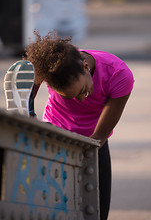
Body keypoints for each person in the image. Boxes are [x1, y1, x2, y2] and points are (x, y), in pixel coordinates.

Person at [5, 30, 134, 220]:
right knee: (46, 206)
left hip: (93, 142)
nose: (82, 98)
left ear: (85, 66)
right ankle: (27, 116)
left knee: (97, 212)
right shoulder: (54, 67)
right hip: (54, 133)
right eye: (73, 97)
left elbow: (100, 136)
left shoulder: (119, 75)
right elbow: (36, 69)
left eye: (82, 90)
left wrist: (87, 150)